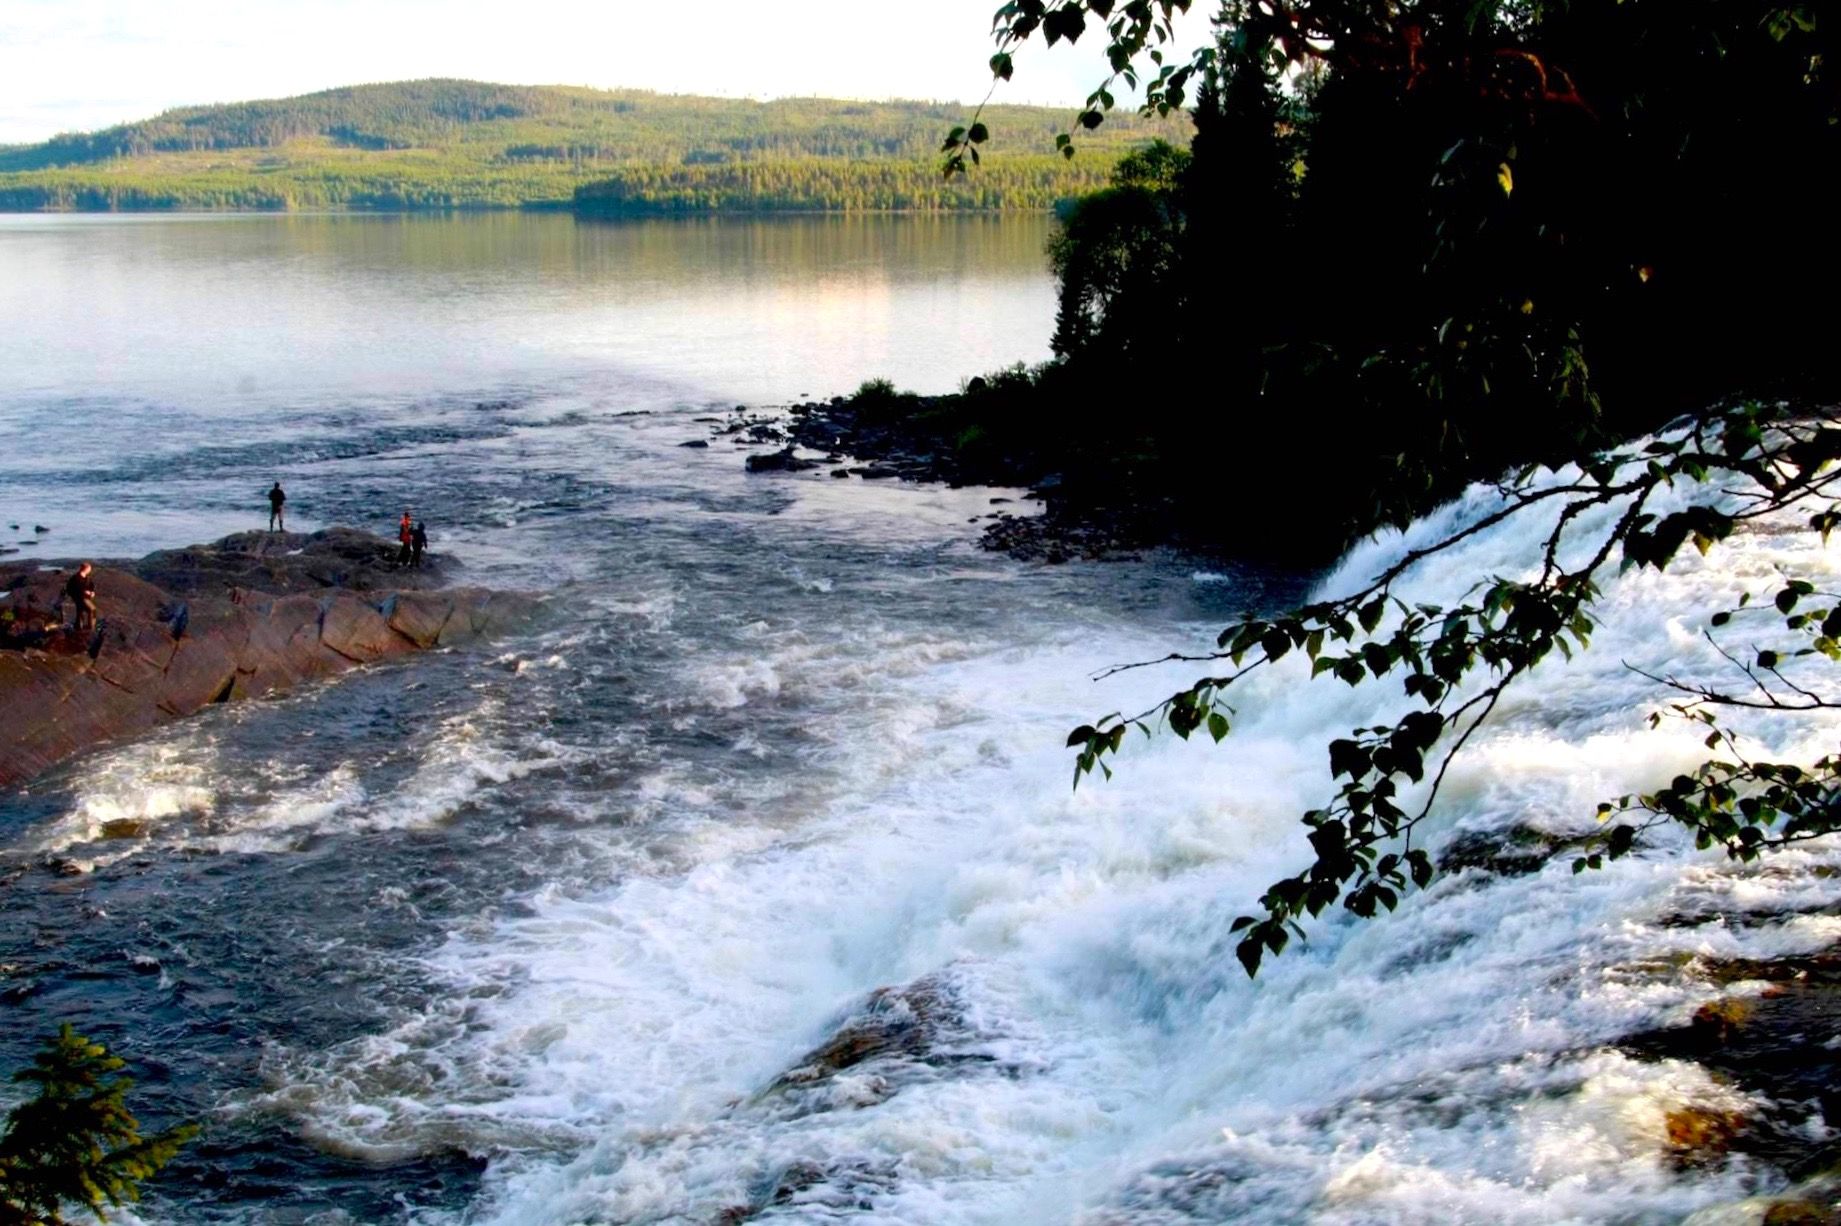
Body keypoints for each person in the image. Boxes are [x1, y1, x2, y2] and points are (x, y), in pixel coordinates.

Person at [66, 561, 97, 633]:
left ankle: (79, 627)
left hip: (85, 597)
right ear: (86, 569)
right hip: (79, 597)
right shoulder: (75, 578)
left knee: (80, 611)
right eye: (89, 569)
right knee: (92, 609)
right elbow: (70, 589)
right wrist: (83, 592)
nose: (90, 570)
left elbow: (92, 586)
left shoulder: (87, 578)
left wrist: (92, 592)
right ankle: (90, 628)